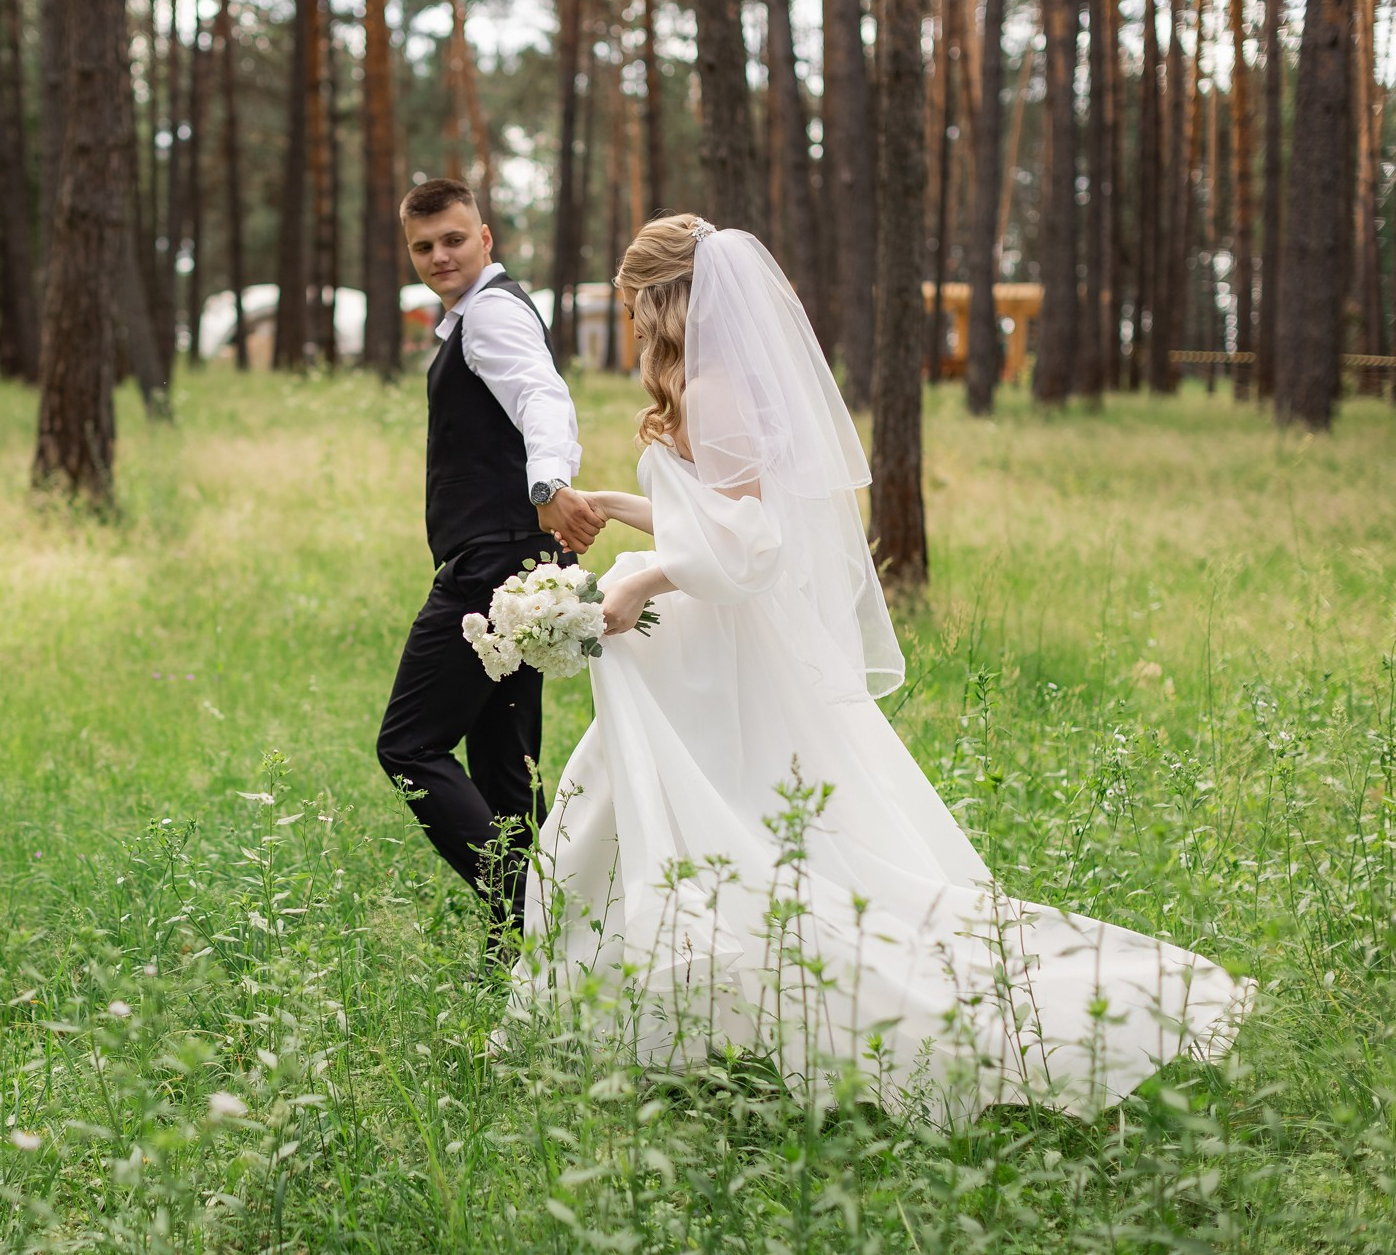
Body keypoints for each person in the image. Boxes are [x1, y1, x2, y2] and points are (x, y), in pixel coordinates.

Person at [515, 215, 1251, 1120]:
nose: (628, 320)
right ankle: (666, 1024)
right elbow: (712, 516)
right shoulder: (709, 385)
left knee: (736, 828)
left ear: (658, 299)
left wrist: (638, 585)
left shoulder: (710, 387)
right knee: (647, 812)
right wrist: (617, 504)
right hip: (701, 644)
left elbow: (750, 546)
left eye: (631, 302)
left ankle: (743, 1018)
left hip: (720, 652)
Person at [377, 178, 604, 963]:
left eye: (453, 238)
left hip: (494, 563)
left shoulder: (492, 313)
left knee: (409, 744)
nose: (439, 255)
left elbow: (542, 396)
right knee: (505, 767)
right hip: (514, 561)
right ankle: (524, 967)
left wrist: (548, 484)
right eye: (423, 246)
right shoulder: (472, 317)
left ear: (485, 238)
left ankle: (534, 915)